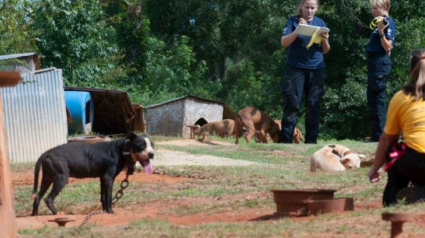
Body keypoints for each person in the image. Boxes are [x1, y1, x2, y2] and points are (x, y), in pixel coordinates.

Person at [368, 48, 425, 206]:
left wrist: (374, 168)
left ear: (410, 71)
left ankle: (392, 199)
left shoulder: (401, 97)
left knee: (394, 151)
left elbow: (387, 139)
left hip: (416, 162)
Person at [279, 0, 330, 144]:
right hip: (295, 69)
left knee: (314, 105)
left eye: (312, 8)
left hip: (316, 69)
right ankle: (286, 141)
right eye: (307, 7)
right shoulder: (292, 21)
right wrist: (298, 30)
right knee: (293, 103)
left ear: (317, 8)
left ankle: (311, 142)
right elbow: (284, 43)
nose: (309, 11)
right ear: (301, 7)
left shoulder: (320, 23)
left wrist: (325, 40)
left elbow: (326, 50)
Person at [366, 0, 396, 142]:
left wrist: (380, 32)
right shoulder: (380, 22)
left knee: (378, 99)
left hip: (379, 63)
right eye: (372, 8)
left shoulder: (387, 22)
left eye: (375, 8)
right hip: (374, 63)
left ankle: (380, 136)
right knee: (372, 99)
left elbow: (388, 46)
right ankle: (375, 134)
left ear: (384, 7)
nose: (372, 11)